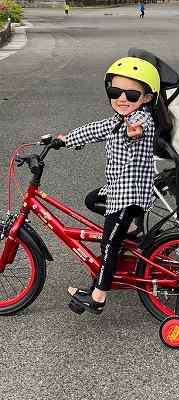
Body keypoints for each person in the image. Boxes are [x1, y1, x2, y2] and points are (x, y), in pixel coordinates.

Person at [58, 56, 160, 314]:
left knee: (109, 244)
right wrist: (66, 139)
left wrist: (132, 132)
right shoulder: (117, 120)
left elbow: (138, 130)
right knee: (92, 199)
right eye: (115, 92)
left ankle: (99, 296)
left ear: (147, 98)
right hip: (117, 190)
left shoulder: (141, 120)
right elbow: (97, 128)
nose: (122, 98)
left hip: (129, 195)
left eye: (131, 94)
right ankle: (133, 227)